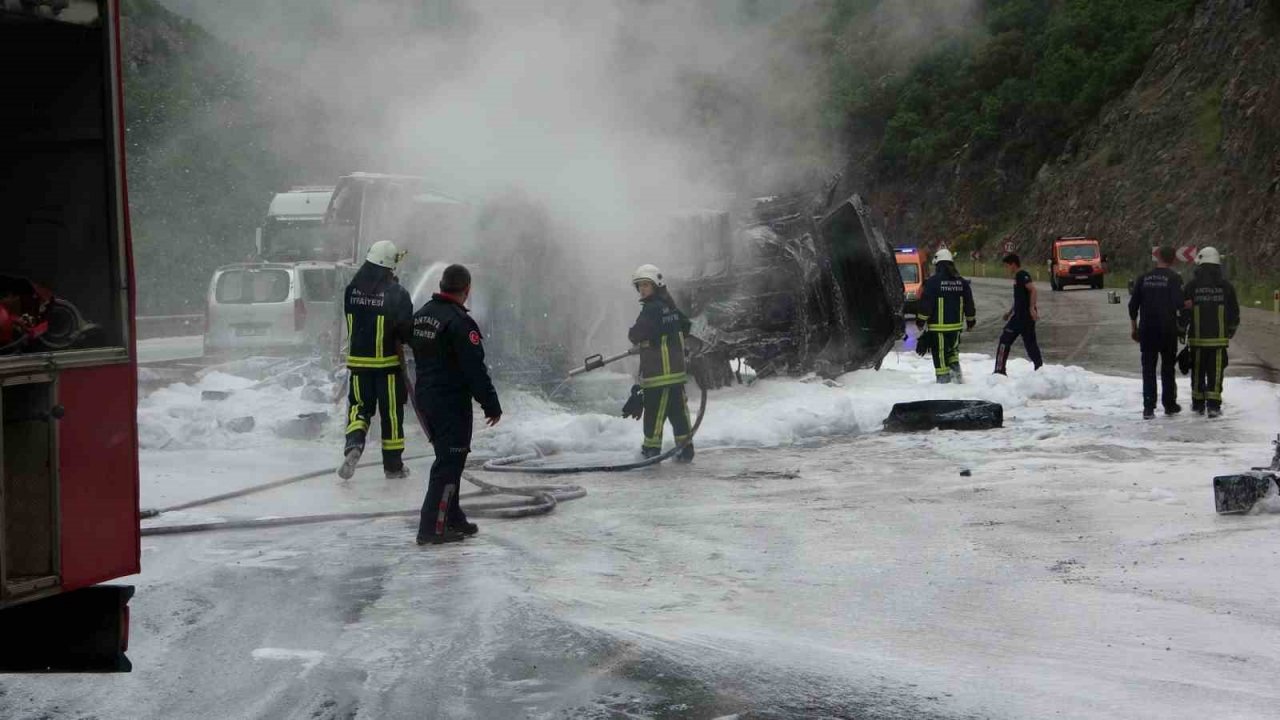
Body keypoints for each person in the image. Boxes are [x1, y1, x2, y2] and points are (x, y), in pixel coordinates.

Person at [409, 264, 502, 545]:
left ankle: (452, 515)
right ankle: (432, 527)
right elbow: (474, 370)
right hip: (450, 402)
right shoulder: (460, 323)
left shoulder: (423, 314)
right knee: (449, 462)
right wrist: (491, 404)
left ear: (440, 284)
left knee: (450, 458)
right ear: (467, 290)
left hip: (427, 397)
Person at [337, 240, 414, 480]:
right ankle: (393, 467)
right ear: (389, 267)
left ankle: (354, 446)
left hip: (359, 365)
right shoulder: (397, 293)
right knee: (391, 415)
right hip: (388, 367)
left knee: (359, 409)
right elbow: (406, 331)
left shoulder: (352, 290)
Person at [628, 264, 694, 462]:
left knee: (655, 415)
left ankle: (651, 452)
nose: (642, 289)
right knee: (678, 413)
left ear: (655, 285)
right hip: (676, 374)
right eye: (639, 286)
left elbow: (634, 334)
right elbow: (686, 325)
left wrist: (647, 340)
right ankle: (685, 449)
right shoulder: (669, 307)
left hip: (658, 375)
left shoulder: (651, 310)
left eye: (646, 285)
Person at [1180, 247, 1239, 418]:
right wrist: (1230, 331)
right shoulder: (1226, 287)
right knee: (1216, 372)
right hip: (1218, 341)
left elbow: (1184, 312)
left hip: (1197, 340)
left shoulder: (1191, 287)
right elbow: (1234, 313)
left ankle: (1198, 405)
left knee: (1197, 371)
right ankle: (1213, 406)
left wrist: (1181, 330)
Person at [1129, 246, 1185, 419]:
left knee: (1148, 369)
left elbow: (1133, 306)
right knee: (1168, 368)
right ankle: (1169, 405)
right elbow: (1178, 303)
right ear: (1173, 259)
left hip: (1147, 329)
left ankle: (1148, 408)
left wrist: (1134, 328)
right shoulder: (1174, 278)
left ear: (1157, 257)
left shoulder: (1143, 278)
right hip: (1167, 330)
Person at [916, 248, 976, 384]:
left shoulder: (932, 282)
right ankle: (958, 380)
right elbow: (969, 305)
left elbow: (926, 306)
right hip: (956, 329)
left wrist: (920, 322)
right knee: (953, 353)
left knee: (941, 357)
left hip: (938, 330)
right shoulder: (962, 282)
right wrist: (971, 321)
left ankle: (944, 385)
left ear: (938, 264)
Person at [993, 253, 1044, 375]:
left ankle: (999, 370)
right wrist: (1009, 312)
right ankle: (1040, 369)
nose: (1006, 269)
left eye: (1007, 266)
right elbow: (1019, 299)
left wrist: (1032, 308)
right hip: (1018, 315)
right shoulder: (1017, 278)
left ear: (1013, 264)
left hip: (1023, 317)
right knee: (1030, 344)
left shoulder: (1022, 275)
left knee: (1005, 340)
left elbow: (1033, 290)